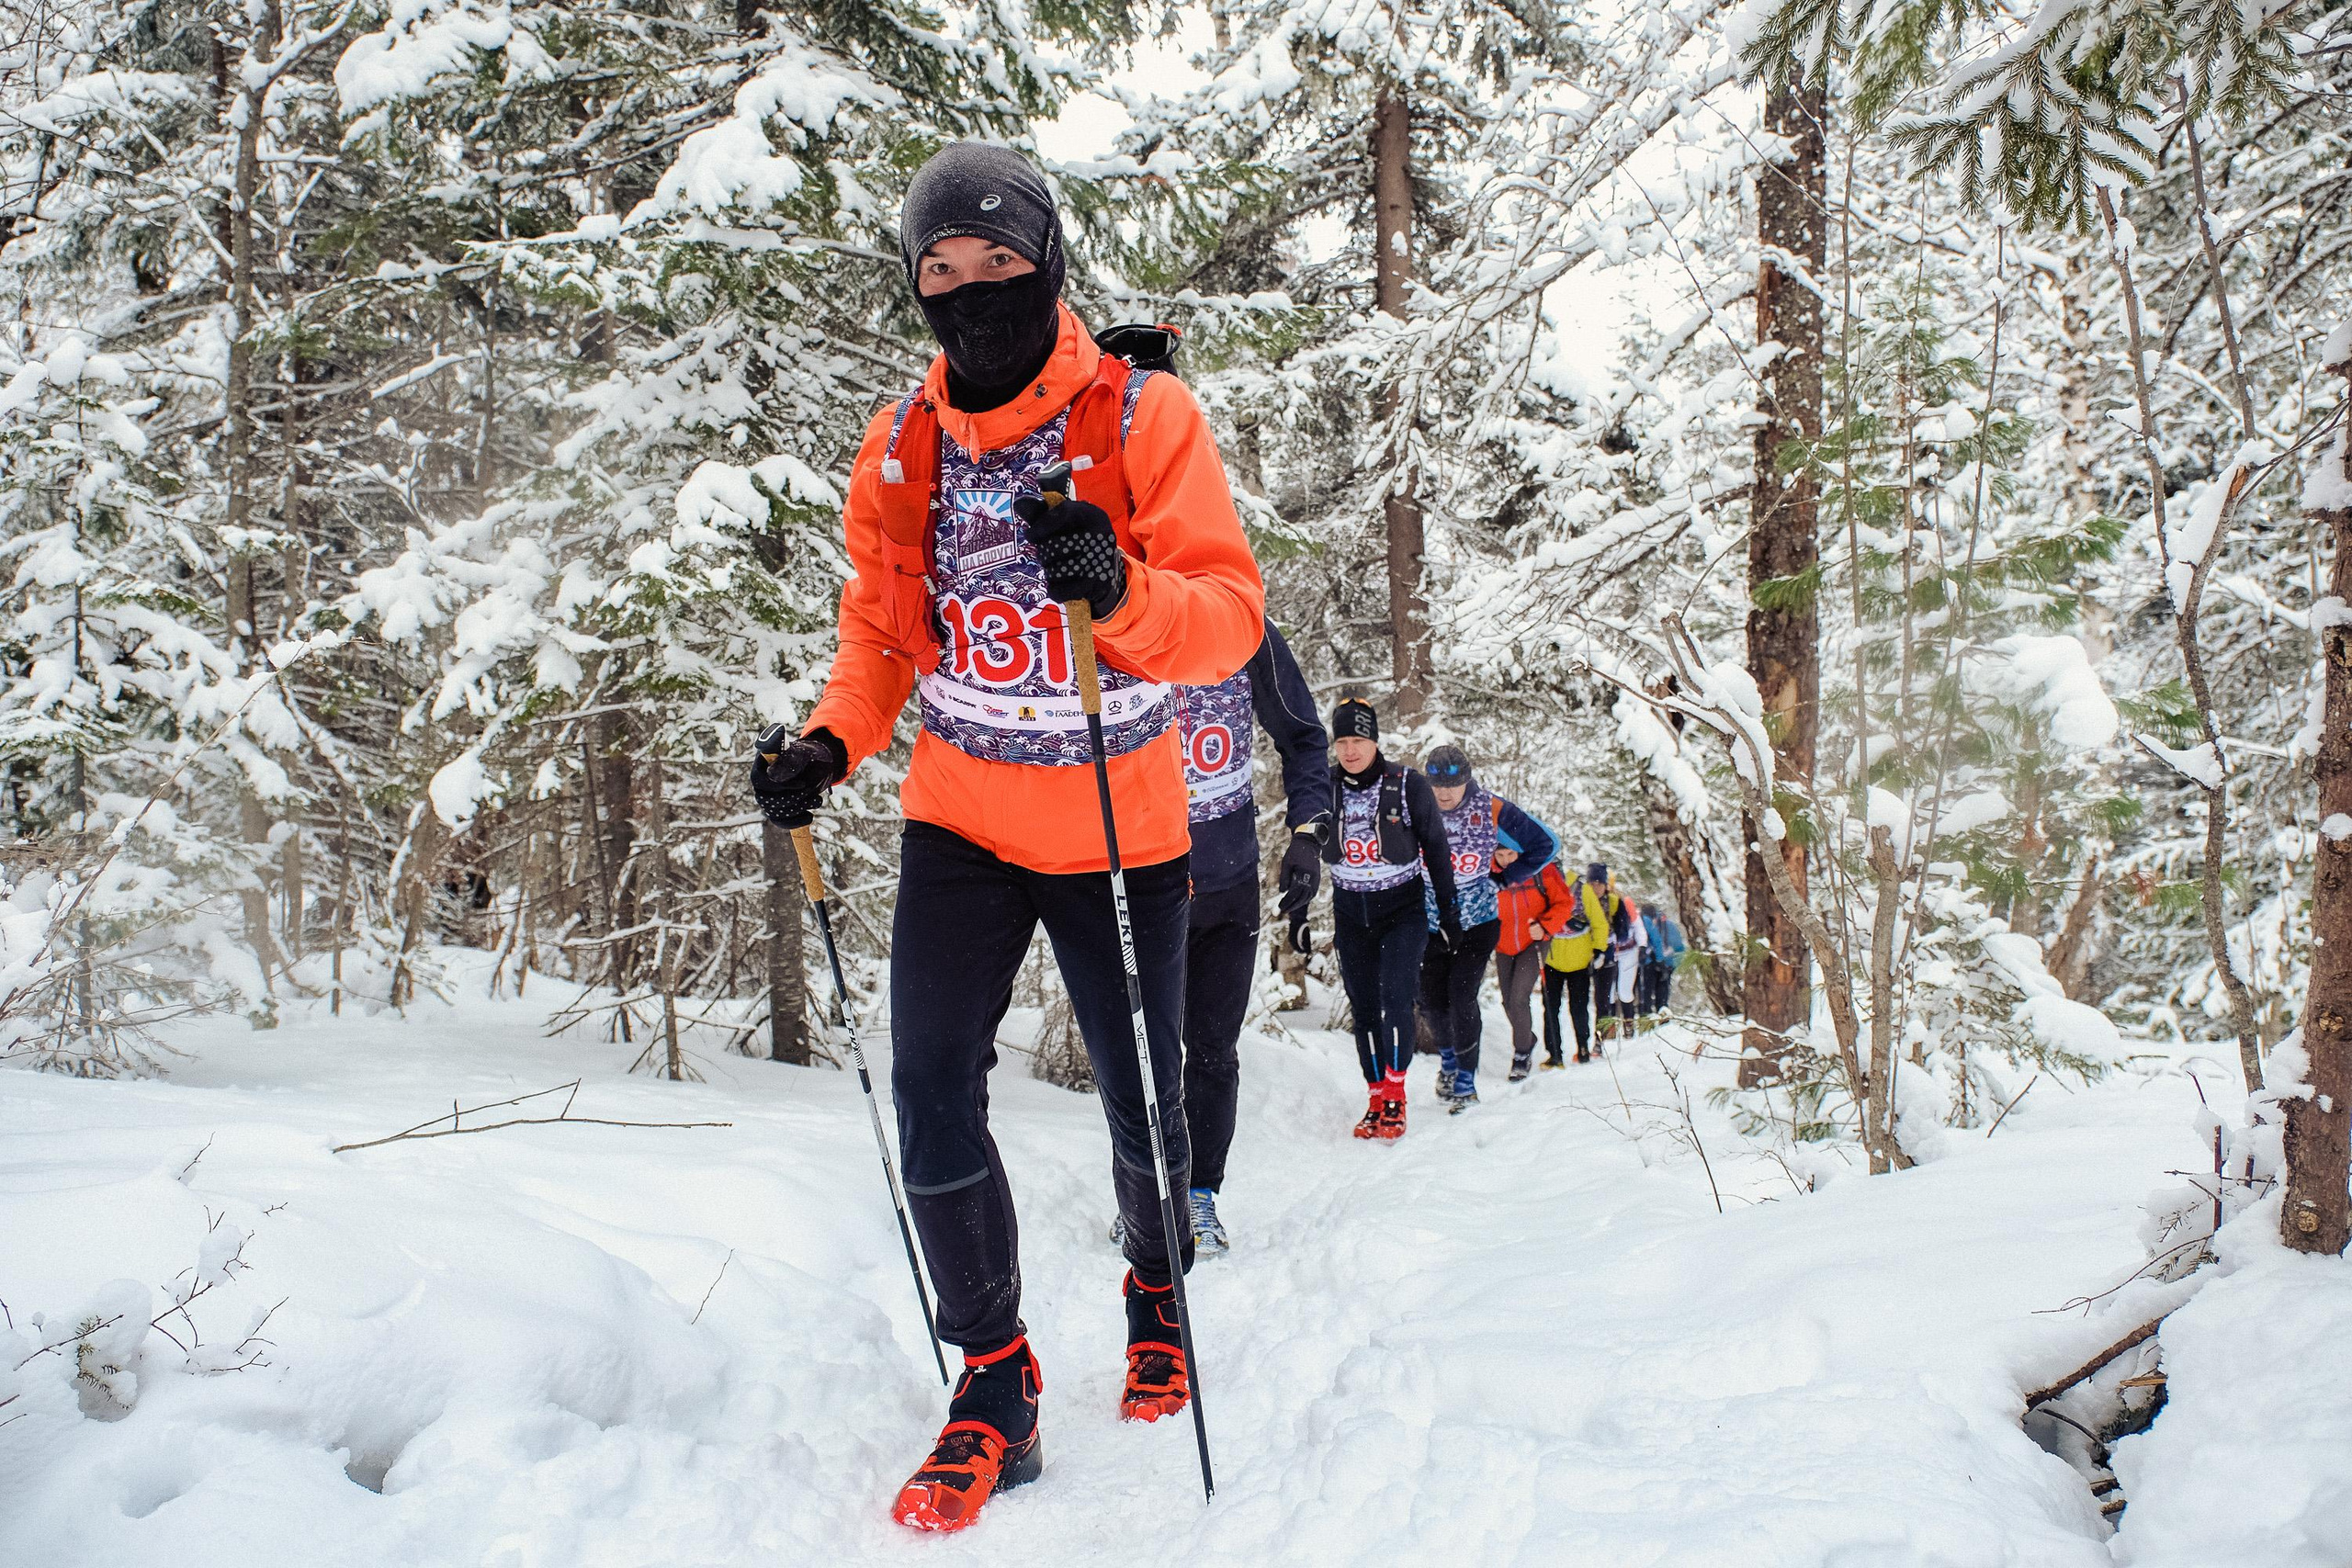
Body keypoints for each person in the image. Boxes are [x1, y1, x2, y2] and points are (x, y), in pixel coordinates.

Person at [748, 142, 1263, 1534]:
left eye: (997, 263)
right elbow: (881, 637)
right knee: (930, 1090)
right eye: (942, 271)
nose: (970, 290)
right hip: (963, 816)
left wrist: (1125, 588)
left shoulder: (1144, 415)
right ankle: (996, 1378)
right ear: (915, 285)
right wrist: (828, 741)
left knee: (1143, 1093)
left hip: (1121, 819)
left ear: (1048, 264)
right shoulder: (901, 442)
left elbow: (1229, 613)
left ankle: (1155, 1289)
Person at [1170, 618, 1330, 1253]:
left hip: (1228, 879)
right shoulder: (1112, 604)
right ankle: (1148, 1195)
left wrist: (1307, 834)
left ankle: (1200, 1195)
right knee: (1141, 1054)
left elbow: (1303, 737)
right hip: (1139, 880)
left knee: (1212, 1049)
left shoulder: (1244, 628)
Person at [1323, 697, 1459, 1140]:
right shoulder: (1326, 785)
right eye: (1341, 741)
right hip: (1350, 910)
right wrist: (1296, 913)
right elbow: (1305, 844)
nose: (1349, 750)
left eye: (1358, 739)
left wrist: (1450, 911)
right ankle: (1376, 1096)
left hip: (1401, 909)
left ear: (1374, 740)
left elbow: (1436, 848)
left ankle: (1397, 1096)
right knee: (1363, 1010)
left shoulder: (1407, 783)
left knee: (1396, 998)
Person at [1416, 745, 1557, 1111]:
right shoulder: (1415, 804)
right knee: (1431, 1002)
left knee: (1462, 998)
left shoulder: (1491, 808)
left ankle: (1466, 1079)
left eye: (1453, 785)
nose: (1444, 794)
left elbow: (1546, 844)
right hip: (1429, 923)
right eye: (1436, 786)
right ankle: (1448, 1060)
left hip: (1477, 922)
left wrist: (1503, 878)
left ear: (1468, 781)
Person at [1494, 838, 1577, 1079]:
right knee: (1507, 1002)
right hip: (1502, 944)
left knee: (1519, 998)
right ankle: (1527, 1038)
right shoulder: (1488, 873)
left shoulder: (1542, 870)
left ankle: (1521, 1054)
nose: (1506, 861)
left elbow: (1564, 904)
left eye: (1510, 854)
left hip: (1534, 942)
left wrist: (1544, 926)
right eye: (1500, 856)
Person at [1541, 863, 1621, 1066]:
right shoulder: (1580, 888)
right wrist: (1598, 949)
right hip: (1575, 959)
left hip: (1554, 958)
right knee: (1576, 1007)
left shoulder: (1545, 886)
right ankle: (1581, 1049)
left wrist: (1600, 949)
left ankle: (1556, 1054)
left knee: (1552, 1007)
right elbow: (1599, 923)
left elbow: (1599, 923)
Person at [1601, 892, 1648, 1040]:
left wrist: (1642, 946)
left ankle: (1628, 1024)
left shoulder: (1626, 903)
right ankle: (1610, 1027)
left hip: (1628, 952)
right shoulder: (1596, 902)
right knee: (1607, 992)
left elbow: (1638, 925)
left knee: (1624, 991)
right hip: (1608, 952)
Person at [1640, 909, 1687, 1021]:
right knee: (1653, 992)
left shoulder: (1667, 927)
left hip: (1663, 965)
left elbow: (1679, 948)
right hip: (1654, 964)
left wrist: (1671, 965)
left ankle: (1659, 1017)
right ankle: (1653, 1017)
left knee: (1658, 991)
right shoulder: (1663, 925)